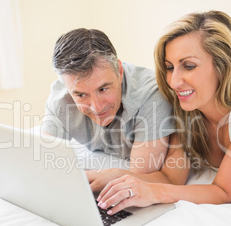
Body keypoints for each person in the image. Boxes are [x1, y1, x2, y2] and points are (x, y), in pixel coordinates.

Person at [95, 10, 231, 215]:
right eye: (169, 67)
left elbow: (222, 192)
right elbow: (171, 177)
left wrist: (152, 193)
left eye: (188, 66)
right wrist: (113, 177)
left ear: (222, 64)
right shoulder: (187, 110)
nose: (173, 81)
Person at [41, 28, 175, 176]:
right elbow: (45, 161)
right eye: (81, 95)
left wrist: (83, 178)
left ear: (119, 70)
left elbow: (139, 179)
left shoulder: (152, 94)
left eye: (103, 89)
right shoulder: (60, 98)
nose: (97, 107)